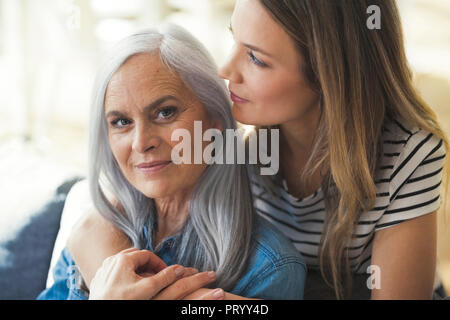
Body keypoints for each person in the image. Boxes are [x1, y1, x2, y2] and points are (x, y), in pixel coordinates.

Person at [66, 0, 448, 299]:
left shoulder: (407, 157)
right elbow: (98, 217)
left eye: (256, 58)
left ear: (327, 77)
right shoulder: (243, 143)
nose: (226, 69)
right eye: (234, 40)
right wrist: (117, 280)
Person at [36, 23, 307, 300]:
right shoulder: (98, 232)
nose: (141, 142)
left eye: (165, 112)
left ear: (215, 120)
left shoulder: (269, 269)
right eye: (121, 122)